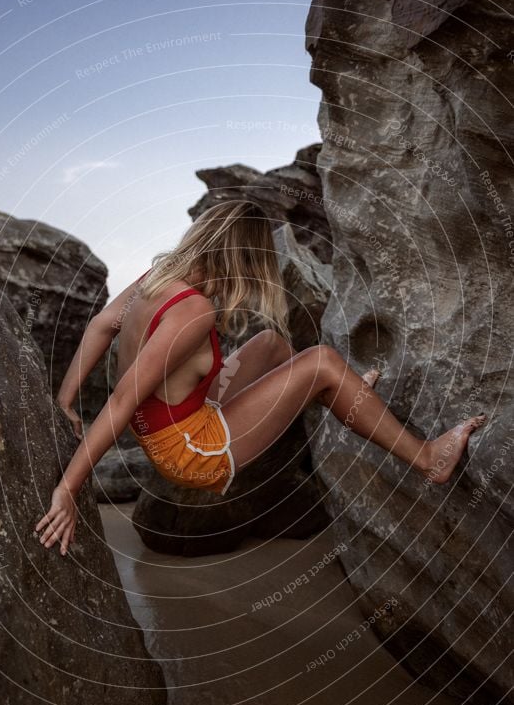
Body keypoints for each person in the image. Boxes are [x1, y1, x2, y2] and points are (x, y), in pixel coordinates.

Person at [35, 200, 487, 555]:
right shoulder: (194, 310)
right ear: (244, 256)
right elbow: (120, 402)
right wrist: (69, 489)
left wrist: (65, 402)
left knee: (271, 344)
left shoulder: (157, 278)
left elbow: (100, 325)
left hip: (174, 419)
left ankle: (338, 397)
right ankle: (428, 458)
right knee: (324, 361)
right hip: (191, 452)